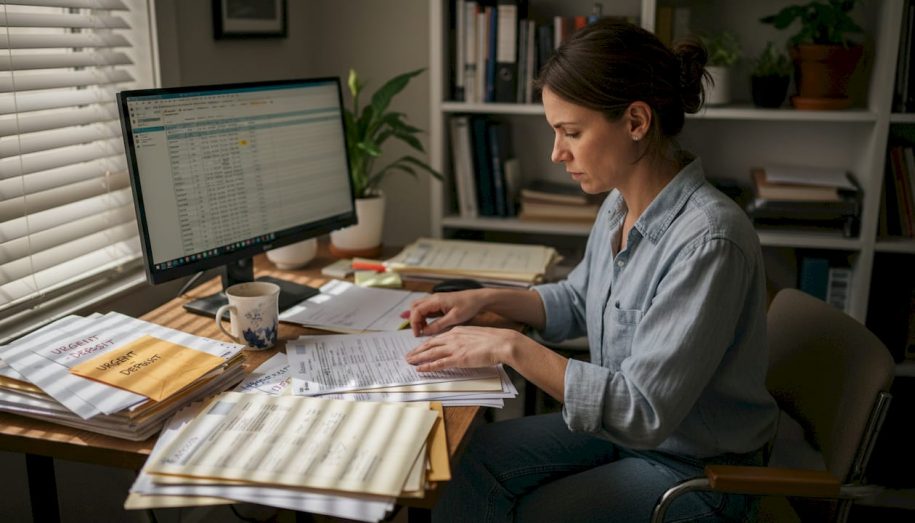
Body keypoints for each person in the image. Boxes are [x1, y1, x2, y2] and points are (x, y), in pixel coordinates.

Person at [405, 18, 779, 523]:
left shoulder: (709, 241)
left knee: (535, 513)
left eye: (571, 133)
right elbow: (581, 301)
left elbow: (641, 410)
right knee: (466, 462)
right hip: (629, 438)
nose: (556, 153)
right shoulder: (620, 204)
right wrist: (486, 299)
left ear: (636, 122)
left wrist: (511, 346)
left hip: (696, 470)